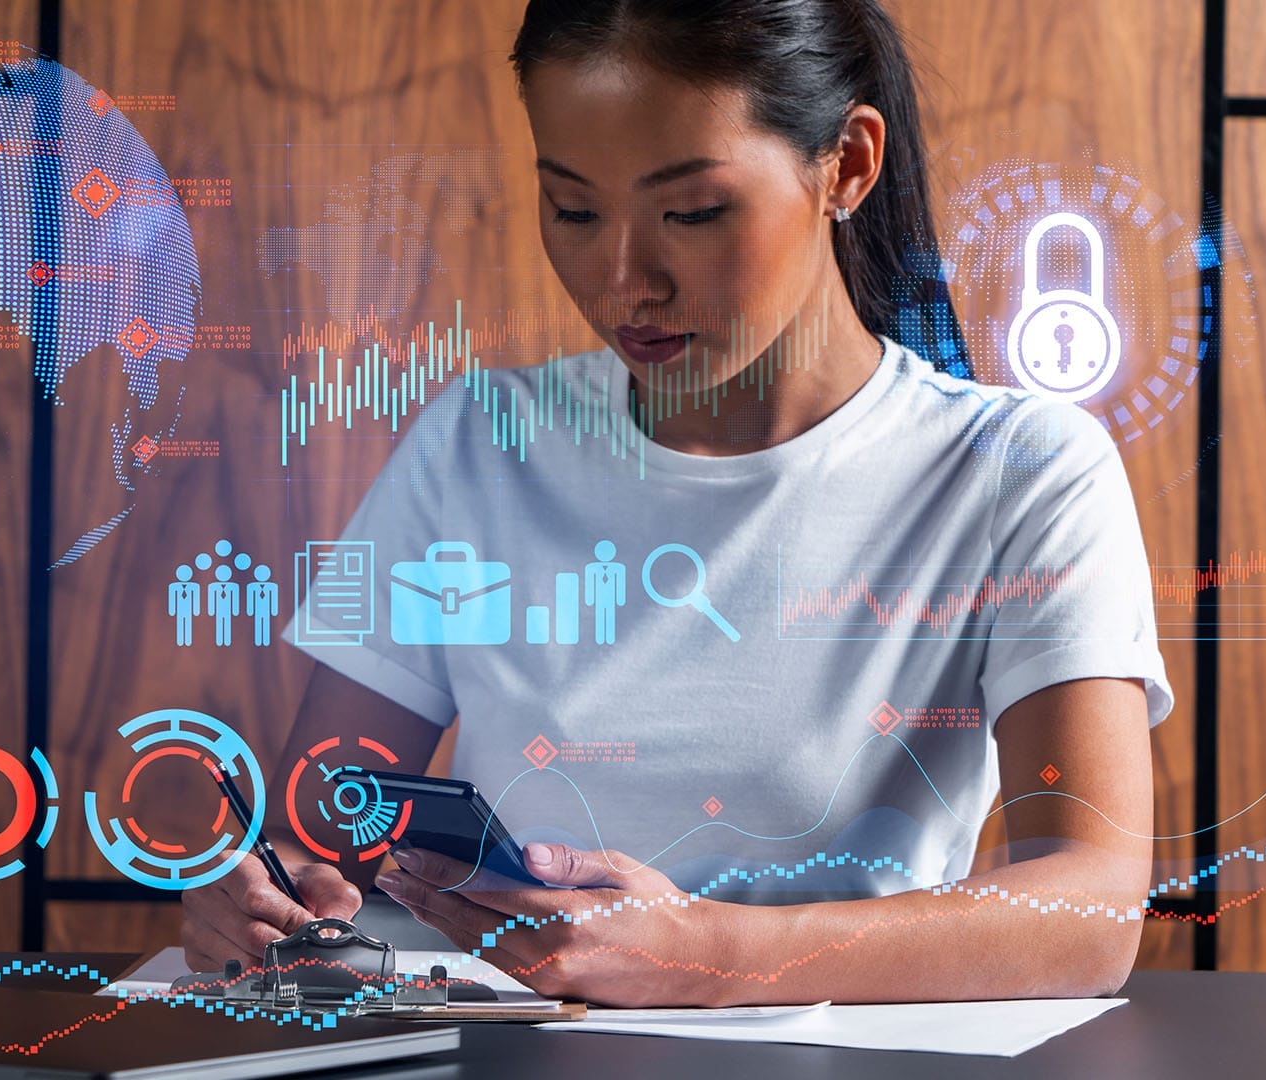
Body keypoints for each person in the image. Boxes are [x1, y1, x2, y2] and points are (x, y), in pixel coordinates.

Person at [184, 0, 1168, 1007]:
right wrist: (264, 896)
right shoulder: (478, 440)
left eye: (690, 213)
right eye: (573, 209)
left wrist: (708, 957)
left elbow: (1089, 912)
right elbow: (320, 829)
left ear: (848, 165)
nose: (623, 281)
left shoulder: (1020, 472)